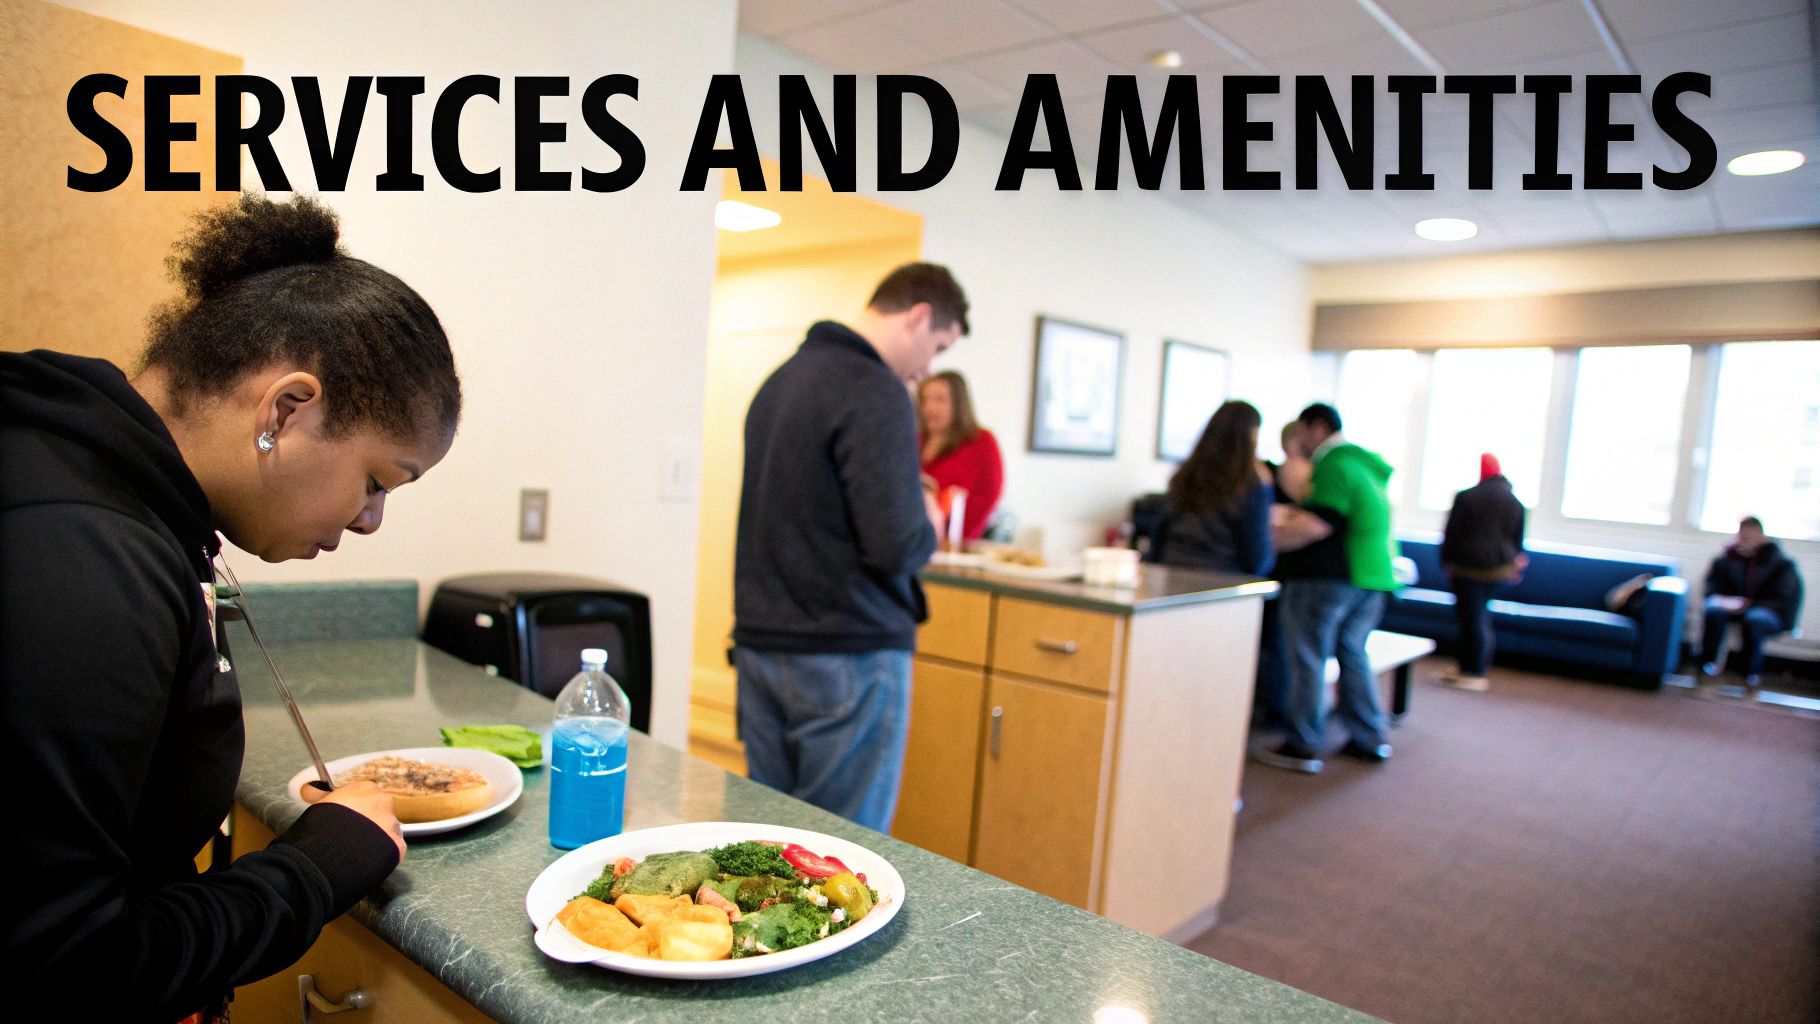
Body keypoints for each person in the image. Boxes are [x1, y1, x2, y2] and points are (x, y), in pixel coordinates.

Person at [0, 194, 461, 1019]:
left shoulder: (117, 499)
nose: (368, 520)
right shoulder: (82, 561)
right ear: (286, 409)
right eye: (377, 481)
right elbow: (69, 967)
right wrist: (320, 866)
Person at [732, 263, 969, 832]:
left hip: (762, 645)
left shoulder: (781, 380)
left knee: (770, 847)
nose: (928, 369)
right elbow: (896, 545)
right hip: (847, 650)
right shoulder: (875, 389)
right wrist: (930, 518)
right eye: (937, 346)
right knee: (841, 856)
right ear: (918, 317)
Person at [1256, 403, 1400, 774]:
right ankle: (1369, 736)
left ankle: (1303, 743)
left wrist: (1266, 542)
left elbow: (1319, 524)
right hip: (1374, 575)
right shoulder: (1364, 464)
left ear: (1316, 428)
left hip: (1332, 576)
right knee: (1352, 653)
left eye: (1301, 431)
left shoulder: (1334, 463)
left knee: (1305, 656)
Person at [1438, 453, 1528, 692]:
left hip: (1468, 567)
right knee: (1476, 617)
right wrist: (1514, 565)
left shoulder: (1467, 497)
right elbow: (1518, 540)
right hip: (1500, 568)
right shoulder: (1515, 502)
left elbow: (1451, 534)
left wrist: (1445, 561)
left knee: (1472, 619)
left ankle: (1474, 670)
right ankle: (1466, 666)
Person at [1159, 400, 1275, 578]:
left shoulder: (1186, 476)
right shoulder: (1248, 485)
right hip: (1219, 584)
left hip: (1174, 575)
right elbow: (1258, 559)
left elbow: (1159, 535)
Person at [1698, 516, 1804, 687]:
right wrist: (1725, 600)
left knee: (1755, 618)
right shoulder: (1727, 559)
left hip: (1767, 611)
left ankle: (1749, 672)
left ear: (1760, 535)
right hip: (1732, 607)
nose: (1744, 539)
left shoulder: (1780, 562)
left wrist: (1746, 604)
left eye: (1749, 535)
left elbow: (1782, 598)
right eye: (1742, 534)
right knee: (1713, 610)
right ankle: (1706, 664)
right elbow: (1712, 587)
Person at [918, 370, 1003, 543]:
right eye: (925, 400)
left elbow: (988, 495)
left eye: (939, 400)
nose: (929, 407)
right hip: (914, 540)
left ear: (959, 404)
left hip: (956, 542)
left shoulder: (980, 442)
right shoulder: (916, 440)